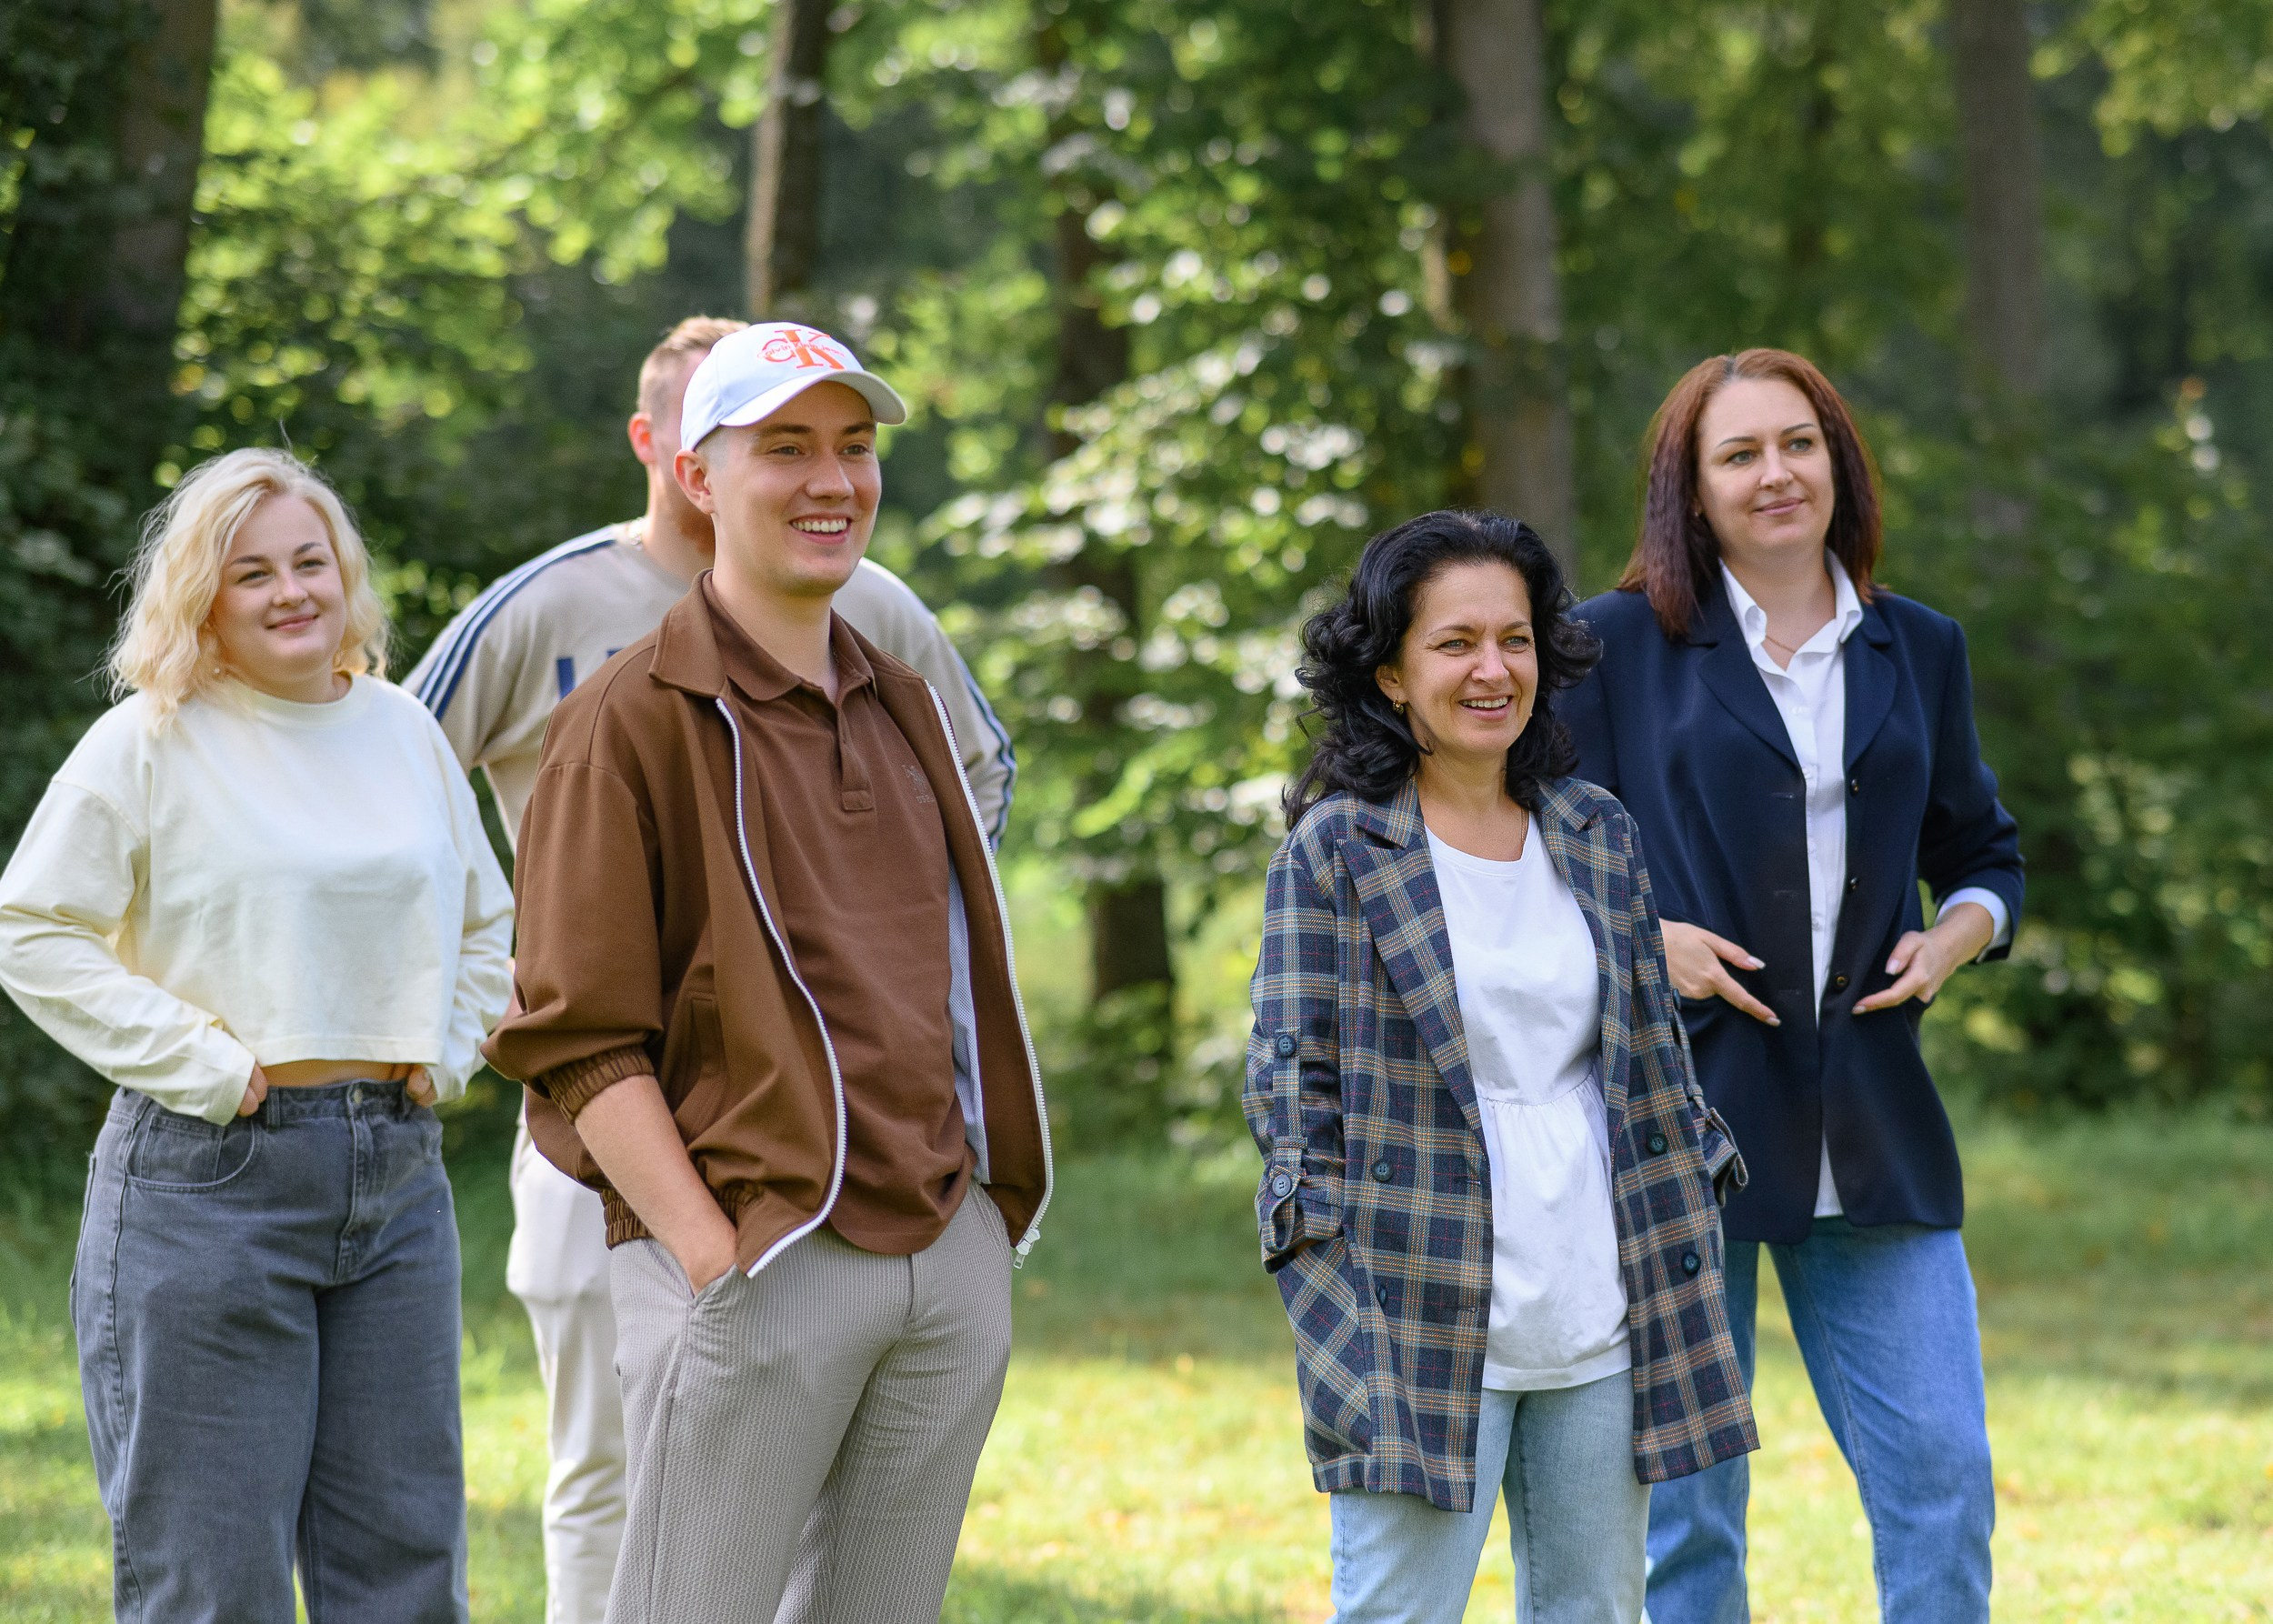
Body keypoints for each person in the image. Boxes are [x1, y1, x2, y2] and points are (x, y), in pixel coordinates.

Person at [403, 315, 1016, 1624]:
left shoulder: (903, 693)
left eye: (854, 447)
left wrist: (983, 1223)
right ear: (695, 473)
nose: (832, 479)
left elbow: (956, 961)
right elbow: (577, 1034)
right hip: (754, 1249)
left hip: (938, 1249)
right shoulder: (620, 719)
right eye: (785, 447)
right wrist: (707, 1250)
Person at [0, 448, 514, 1622]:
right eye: (252, 573)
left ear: (345, 574)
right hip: (207, 1184)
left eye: (310, 561)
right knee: (212, 1583)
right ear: (203, 596)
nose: (292, 592)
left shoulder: (400, 730)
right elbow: (30, 927)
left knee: (405, 1575)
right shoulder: (150, 740)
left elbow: (490, 921)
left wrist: (443, 1050)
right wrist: (213, 1066)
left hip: (395, 1186)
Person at [1564, 349, 2024, 1624]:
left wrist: (1957, 937)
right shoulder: (1608, 648)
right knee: (1689, 1514)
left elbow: (1983, 853)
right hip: (1675, 1127)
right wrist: (1642, 938)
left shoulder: (1919, 647)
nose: (1777, 473)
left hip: (1874, 1130)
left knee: (1943, 1476)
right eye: (1740, 453)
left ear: (1839, 462)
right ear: (1691, 490)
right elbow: (1531, 850)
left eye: (1799, 443)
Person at [1247, 508, 1757, 1624]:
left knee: (1595, 1611)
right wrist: (1333, 1294)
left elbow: (1649, 1073)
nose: (1493, 669)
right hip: (1415, 1305)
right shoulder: (1338, 849)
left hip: (1598, 1303)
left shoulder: (1595, 833)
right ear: (1388, 673)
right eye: (1455, 642)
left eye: (1515, 639)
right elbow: (1292, 1098)